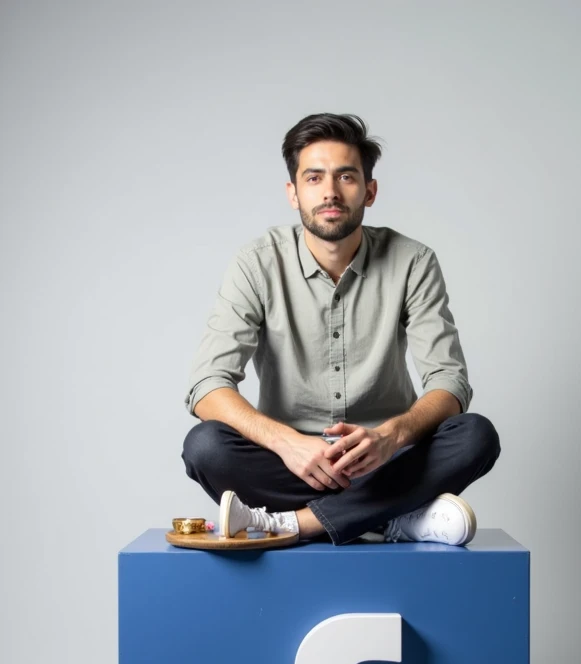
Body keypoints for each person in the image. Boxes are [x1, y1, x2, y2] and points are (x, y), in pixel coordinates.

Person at [181, 112, 501, 546]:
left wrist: (389, 437)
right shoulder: (256, 263)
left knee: (475, 436)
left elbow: (449, 381)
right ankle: (389, 518)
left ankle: (297, 523)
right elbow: (207, 385)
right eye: (314, 178)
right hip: (290, 464)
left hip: (389, 462)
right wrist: (289, 443)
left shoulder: (412, 262)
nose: (330, 192)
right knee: (205, 447)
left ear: (369, 191)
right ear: (293, 193)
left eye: (346, 176)